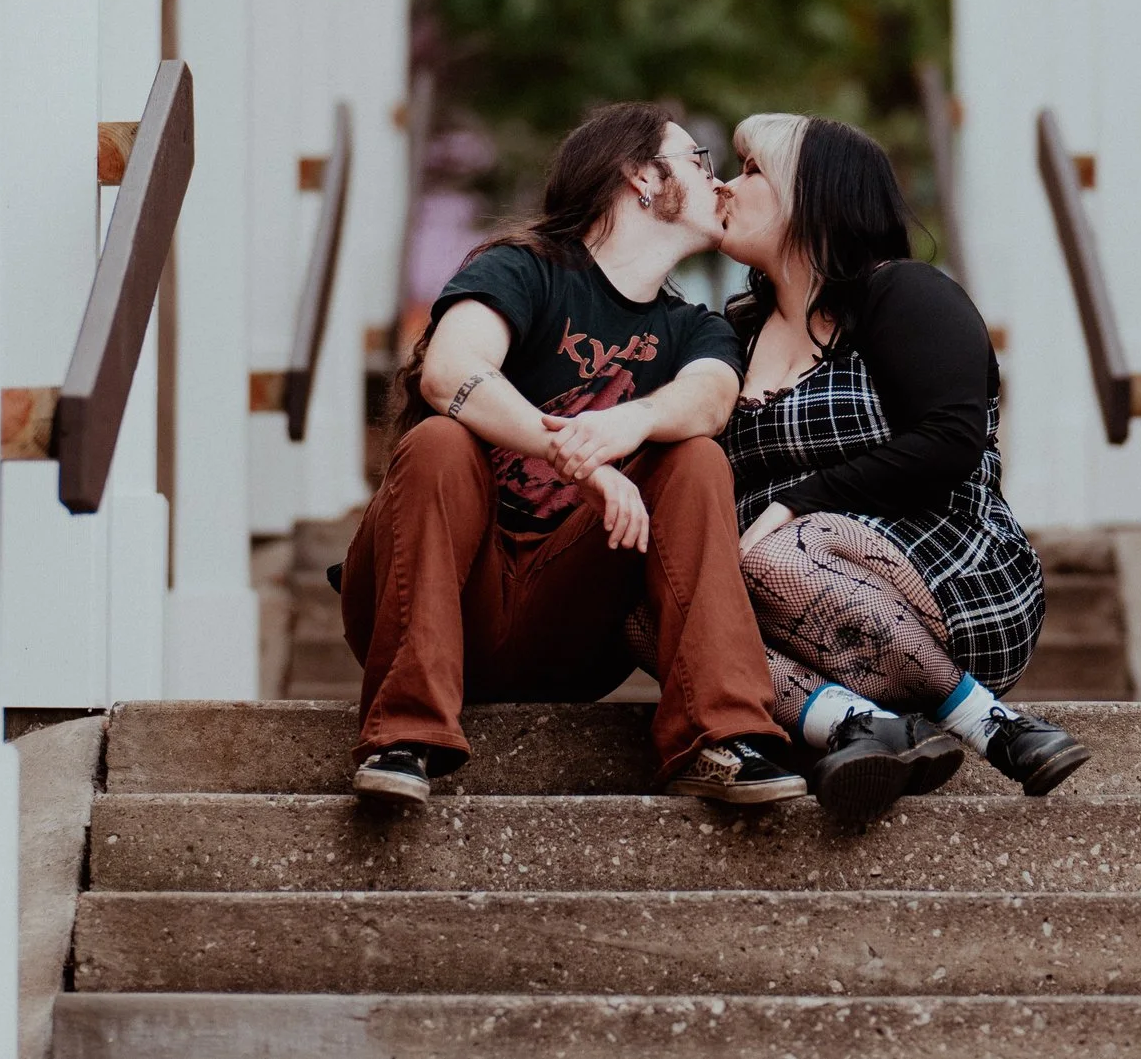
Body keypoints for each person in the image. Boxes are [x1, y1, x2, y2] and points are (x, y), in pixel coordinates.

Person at [339, 101, 807, 807]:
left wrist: (633, 422)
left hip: (570, 625)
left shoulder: (694, 327)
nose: (718, 184)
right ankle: (402, 735)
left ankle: (727, 736)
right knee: (439, 439)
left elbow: (711, 399)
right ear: (641, 178)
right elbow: (450, 372)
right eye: (700, 161)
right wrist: (577, 460)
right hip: (444, 597)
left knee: (695, 458)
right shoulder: (522, 270)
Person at [715, 112, 1090, 824]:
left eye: (752, 170)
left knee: (780, 547)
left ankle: (987, 720)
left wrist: (798, 501)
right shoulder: (729, 335)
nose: (729, 189)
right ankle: (859, 724)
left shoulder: (903, 293)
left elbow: (951, 439)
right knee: (649, 602)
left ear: (816, 194)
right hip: (791, 617)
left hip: (953, 576)